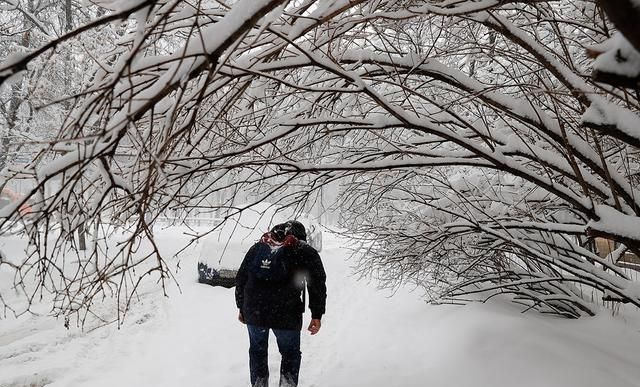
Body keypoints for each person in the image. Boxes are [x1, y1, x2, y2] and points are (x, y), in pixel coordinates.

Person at [235, 220, 327, 387]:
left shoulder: (259, 247)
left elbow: (241, 278)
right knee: (290, 354)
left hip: (254, 310)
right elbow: (317, 284)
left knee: (257, 351)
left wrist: (241, 307)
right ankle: (287, 384)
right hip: (286, 312)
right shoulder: (303, 250)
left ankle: (259, 384)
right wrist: (316, 314)